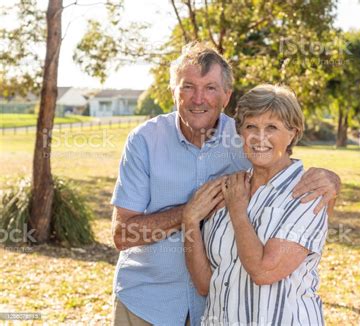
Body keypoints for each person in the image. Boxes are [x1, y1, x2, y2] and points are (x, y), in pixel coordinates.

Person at [110, 43, 340, 325]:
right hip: (148, 304)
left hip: (212, 309)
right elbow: (122, 235)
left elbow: (280, 159)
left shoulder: (246, 143)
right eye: (187, 87)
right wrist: (189, 214)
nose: (198, 99)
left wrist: (334, 181)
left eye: (210, 88)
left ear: (226, 95)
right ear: (173, 92)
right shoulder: (145, 141)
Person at [183, 84, 329, 325]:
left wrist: (238, 211)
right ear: (240, 131)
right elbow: (204, 283)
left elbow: (263, 271)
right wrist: (189, 221)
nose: (260, 137)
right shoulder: (229, 187)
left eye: (272, 127)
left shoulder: (308, 193)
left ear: (292, 133)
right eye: (251, 126)